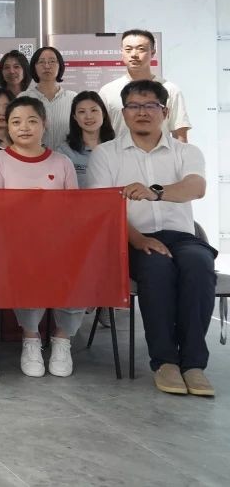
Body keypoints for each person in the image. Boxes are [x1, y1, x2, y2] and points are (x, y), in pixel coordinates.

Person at [87, 79, 215, 397]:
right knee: (156, 267)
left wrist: (156, 193)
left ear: (165, 112)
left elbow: (196, 187)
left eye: (149, 106)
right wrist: (138, 240)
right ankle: (165, 362)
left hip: (182, 237)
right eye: (134, 106)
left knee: (199, 265)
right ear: (123, 113)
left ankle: (194, 364)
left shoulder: (186, 152)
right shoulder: (105, 154)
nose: (141, 112)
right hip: (130, 238)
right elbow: (103, 208)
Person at [0, 96, 81, 377]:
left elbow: (75, 210)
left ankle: (62, 338)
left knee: (80, 265)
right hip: (14, 243)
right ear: (8, 127)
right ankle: (31, 337)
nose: (24, 127)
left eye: (32, 121)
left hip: (59, 243)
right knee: (28, 262)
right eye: (16, 122)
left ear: (44, 124)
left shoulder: (62, 162)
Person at [98, 29, 192, 142]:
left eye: (141, 49)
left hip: (160, 152)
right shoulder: (107, 91)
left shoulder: (170, 89)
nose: (134, 54)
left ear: (153, 52)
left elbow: (180, 135)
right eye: (128, 49)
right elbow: (98, 133)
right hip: (118, 153)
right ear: (122, 52)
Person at [55, 91, 115, 188]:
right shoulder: (64, 152)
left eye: (94, 110)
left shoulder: (117, 148)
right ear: (75, 117)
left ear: (103, 113)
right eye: (82, 112)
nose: (88, 116)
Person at [25, 46, 76, 150]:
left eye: (52, 61)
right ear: (34, 66)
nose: (47, 66)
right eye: (41, 62)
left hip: (69, 158)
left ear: (60, 65)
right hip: (33, 157)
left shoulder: (73, 99)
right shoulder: (24, 99)